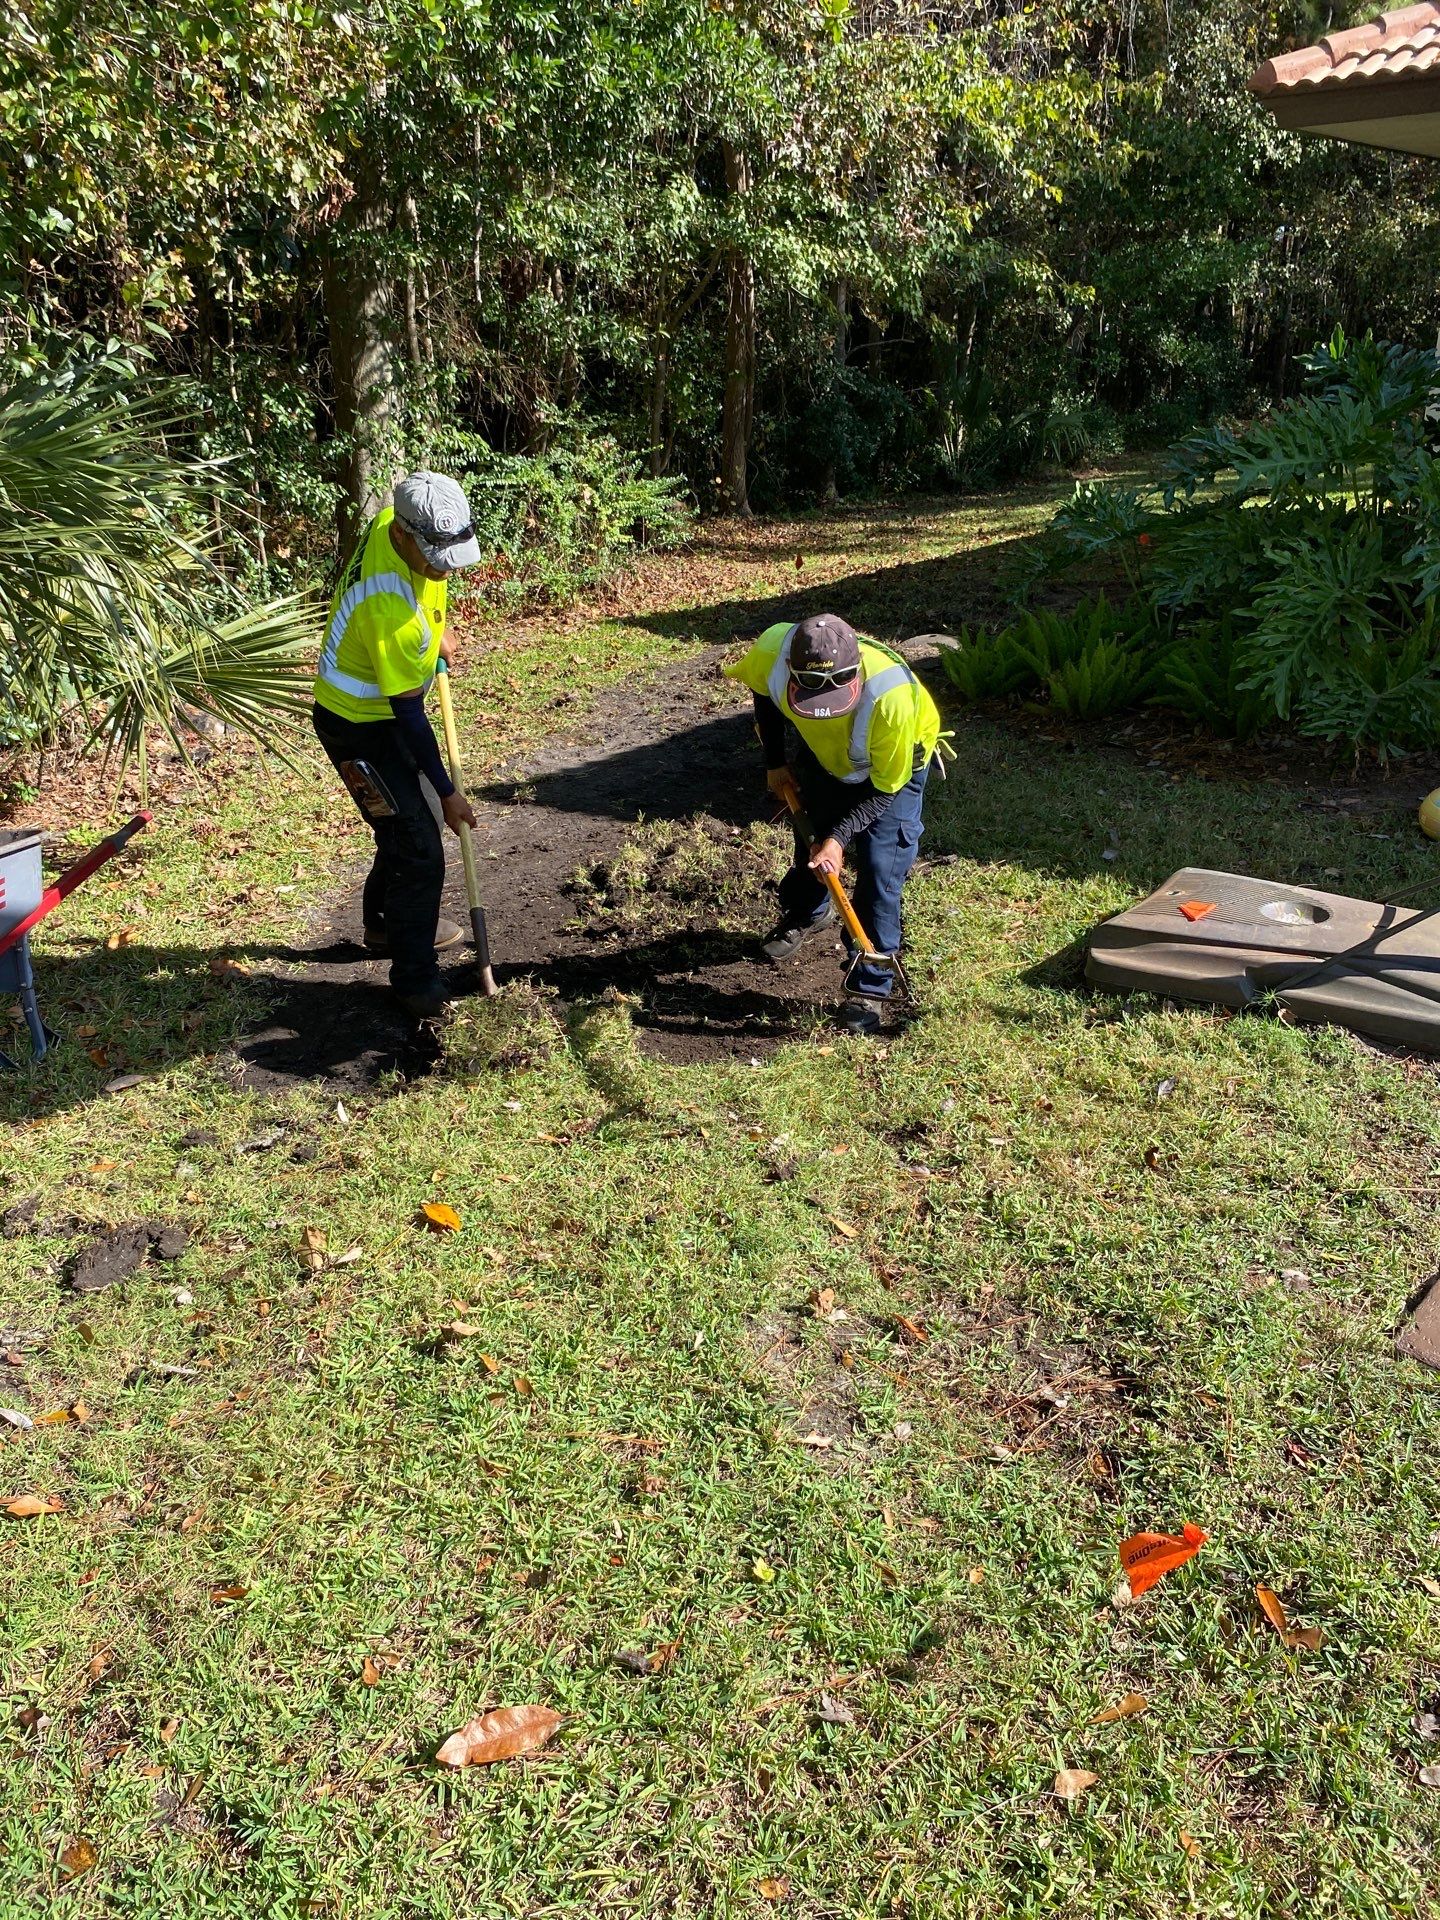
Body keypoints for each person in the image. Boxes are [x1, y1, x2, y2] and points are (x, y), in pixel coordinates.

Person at [311, 472, 482, 1019]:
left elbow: (429, 589)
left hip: (383, 714)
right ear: (406, 537)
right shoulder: (390, 610)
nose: (444, 569)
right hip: (358, 728)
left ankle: (385, 924)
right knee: (419, 844)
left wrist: (439, 633)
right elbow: (410, 716)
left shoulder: (394, 520)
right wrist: (449, 791)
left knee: (405, 827)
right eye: (435, 558)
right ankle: (414, 980)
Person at [725, 613, 945, 1034]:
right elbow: (764, 693)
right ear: (791, 669)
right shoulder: (771, 651)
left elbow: (885, 788)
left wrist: (839, 839)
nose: (825, 705)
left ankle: (869, 985)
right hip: (826, 758)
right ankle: (808, 912)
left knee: (880, 868)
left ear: (855, 669)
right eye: (812, 691)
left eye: (836, 690)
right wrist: (775, 762)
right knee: (811, 840)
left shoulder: (892, 699)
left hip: (890, 771)